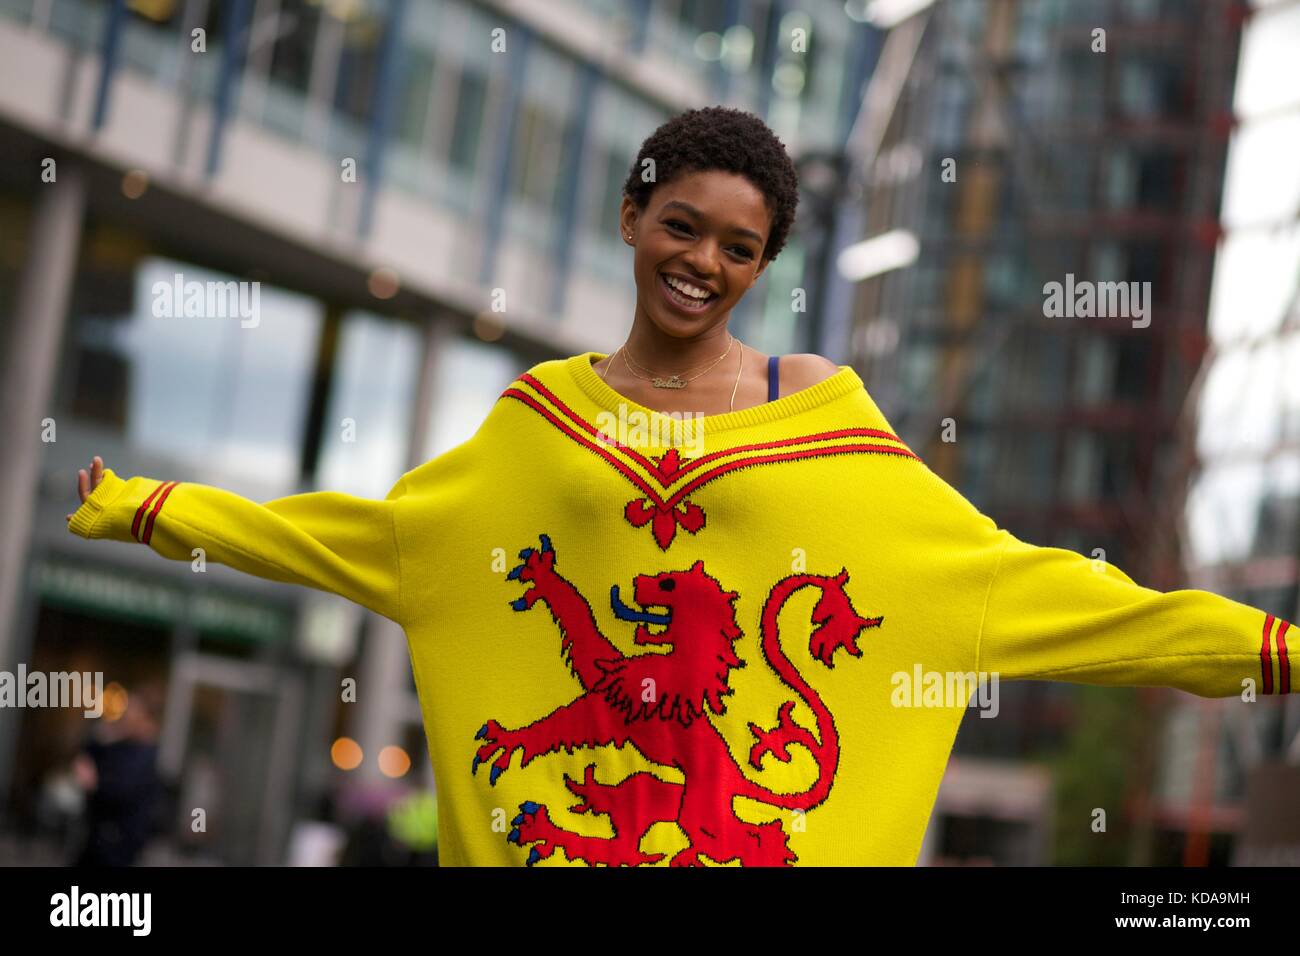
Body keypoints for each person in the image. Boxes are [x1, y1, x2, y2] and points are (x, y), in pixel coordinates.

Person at [66, 106, 1297, 867]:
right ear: (630, 217)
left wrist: (1276, 649)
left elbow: (1061, 601)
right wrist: (147, 506)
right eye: (682, 224)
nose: (703, 261)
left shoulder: (823, 422)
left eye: (740, 246)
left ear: (762, 264)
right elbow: (363, 539)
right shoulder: (540, 424)